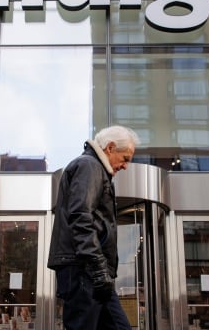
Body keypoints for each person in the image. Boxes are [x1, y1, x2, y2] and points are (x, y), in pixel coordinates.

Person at [47, 125, 140, 330]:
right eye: (125, 158)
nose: (125, 166)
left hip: (93, 271)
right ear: (110, 148)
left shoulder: (95, 168)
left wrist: (100, 270)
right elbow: (81, 217)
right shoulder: (89, 166)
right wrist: (98, 268)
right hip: (85, 269)